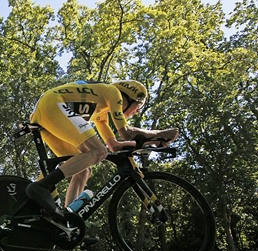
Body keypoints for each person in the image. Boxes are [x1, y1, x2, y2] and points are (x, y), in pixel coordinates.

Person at [25, 80, 178, 222]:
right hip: (53, 104)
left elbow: (115, 145)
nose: (137, 112)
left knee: (84, 169)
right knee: (98, 151)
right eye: (138, 106)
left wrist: (151, 142)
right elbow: (126, 132)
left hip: (47, 112)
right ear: (130, 97)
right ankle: (41, 187)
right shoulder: (113, 93)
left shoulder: (101, 114)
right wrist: (159, 134)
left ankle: (68, 218)